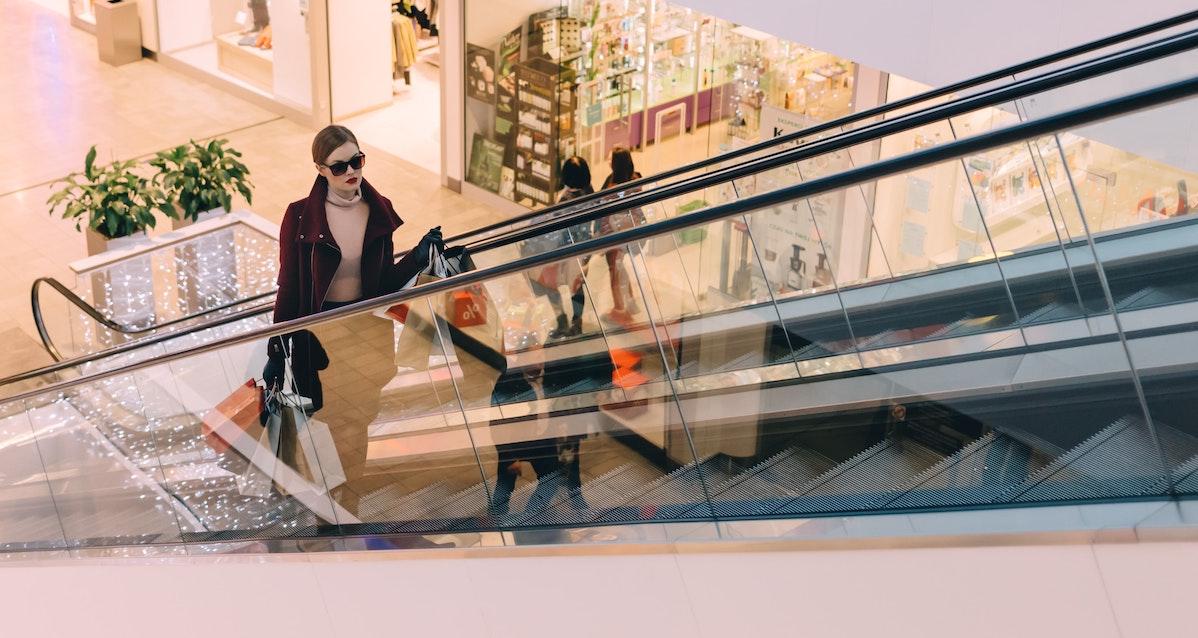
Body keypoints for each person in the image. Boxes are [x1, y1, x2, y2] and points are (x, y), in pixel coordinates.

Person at [264, 124, 443, 517]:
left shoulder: (376, 212)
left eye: (357, 160)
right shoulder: (298, 218)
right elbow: (290, 288)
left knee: (357, 423)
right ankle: (328, 501)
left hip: (364, 333)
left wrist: (417, 256)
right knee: (328, 423)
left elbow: (382, 285)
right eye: (339, 165)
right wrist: (276, 349)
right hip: (319, 338)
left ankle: (350, 501)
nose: (351, 171)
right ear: (320, 169)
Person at [487, 330, 588, 517]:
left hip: (542, 440)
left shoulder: (549, 375)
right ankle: (497, 516)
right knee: (505, 483)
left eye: (541, 354)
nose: (540, 360)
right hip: (516, 442)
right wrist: (510, 457)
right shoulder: (508, 383)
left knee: (551, 479)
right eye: (534, 356)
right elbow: (497, 424)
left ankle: (530, 516)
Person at [526, 156, 594, 340]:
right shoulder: (590, 191)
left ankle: (562, 319)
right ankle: (575, 323)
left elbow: (558, 227)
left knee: (547, 282)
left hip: (564, 250)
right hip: (584, 249)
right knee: (576, 288)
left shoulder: (567, 198)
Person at [595, 146, 646, 326]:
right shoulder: (635, 179)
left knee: (613, 271)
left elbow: (602, 205)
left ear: (615, 164)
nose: (608, 160)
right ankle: (630, 301)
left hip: (615, 232)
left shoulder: (614, 189)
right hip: (629, 230)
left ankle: (620, 310)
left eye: (611, 159)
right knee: (620, 266)